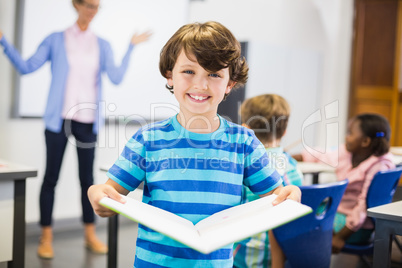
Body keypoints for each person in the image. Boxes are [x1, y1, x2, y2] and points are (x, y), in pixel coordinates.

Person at [87, 21, 301, 268]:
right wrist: (97, 193)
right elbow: (110, 192)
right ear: (170, 76)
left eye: (214, 74)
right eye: (189, 71)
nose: (201, 85)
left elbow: (276, 196)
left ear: (230, 84)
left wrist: (289, 194)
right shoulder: (147, 139)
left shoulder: (244, 142)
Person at [0, 0, 151, 259]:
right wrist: (3, 41)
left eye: (97, 7)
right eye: (89, 5)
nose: (93, 11)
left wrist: (130, 47)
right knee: (51, 178)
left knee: (87, 181)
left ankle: (90, 234)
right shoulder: (56, 39)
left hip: (87, 121)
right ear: (76, 5)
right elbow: (26, 68)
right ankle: (46, 236)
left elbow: (115, 77)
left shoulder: (101, 44)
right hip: (58, 120)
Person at [294, 113, 395, 253]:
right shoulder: (348, 153)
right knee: (301, 215)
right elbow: (323, 155)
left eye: (350, 133)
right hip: (340, 212)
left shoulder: (379, 166)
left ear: (365, 141)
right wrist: (291, 156)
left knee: (299, 227)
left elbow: (362, 206)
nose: (346, 137)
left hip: (355, 228)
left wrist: (340, 237)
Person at [233, 94, 304, 268]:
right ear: (285, 131)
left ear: (245, 129)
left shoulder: (244, 169)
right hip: (286, 255)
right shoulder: (293, 167)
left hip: (246, 258)